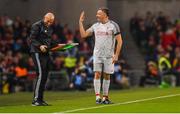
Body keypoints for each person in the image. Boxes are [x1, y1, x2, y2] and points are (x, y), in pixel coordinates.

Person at [79, 7, 123, 104]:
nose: (96, 15)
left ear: (105, 15)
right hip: (97, 54)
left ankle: (105, 97)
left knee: (107, 75)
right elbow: (83, 35)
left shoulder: (113, 25)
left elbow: (119, 41)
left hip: (109, 56)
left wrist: (116, 54)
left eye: (98, 14)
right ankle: (97, 97)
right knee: (97, 74)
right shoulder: (95, 26)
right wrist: (80, 22)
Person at [28, 12, 59, 106]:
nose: (49, 23)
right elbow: (32, 39)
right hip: (37, 52)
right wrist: (40, 45)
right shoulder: (37, 25)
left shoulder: (49, 28)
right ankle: (36, 100)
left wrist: (61, 46)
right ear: (45, 18)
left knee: (45, 76)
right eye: (48, 21)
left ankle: (40, 99)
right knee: (40, 74)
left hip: (45, 53)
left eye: (51, 22)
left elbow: (49, 41)